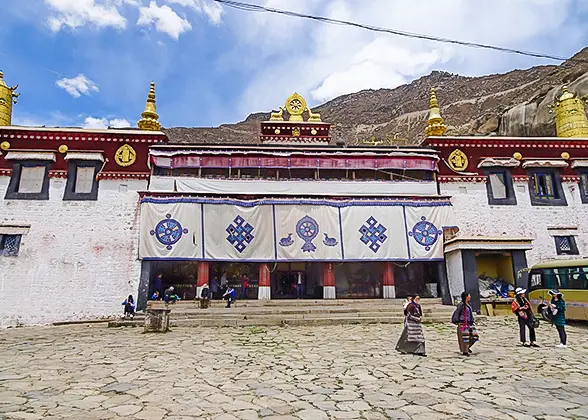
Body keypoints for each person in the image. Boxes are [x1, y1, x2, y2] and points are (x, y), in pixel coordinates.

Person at [451, 292, 478, 356]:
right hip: (463, 323)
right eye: (469, 295)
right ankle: (465, 351)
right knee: (465, 338)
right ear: (466, 297)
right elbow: (457, 313)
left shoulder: (469, 305)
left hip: (469, 323)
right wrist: (456, 320)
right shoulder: (461, 305)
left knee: (474, 336)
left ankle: (467, 347)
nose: (470, 297)